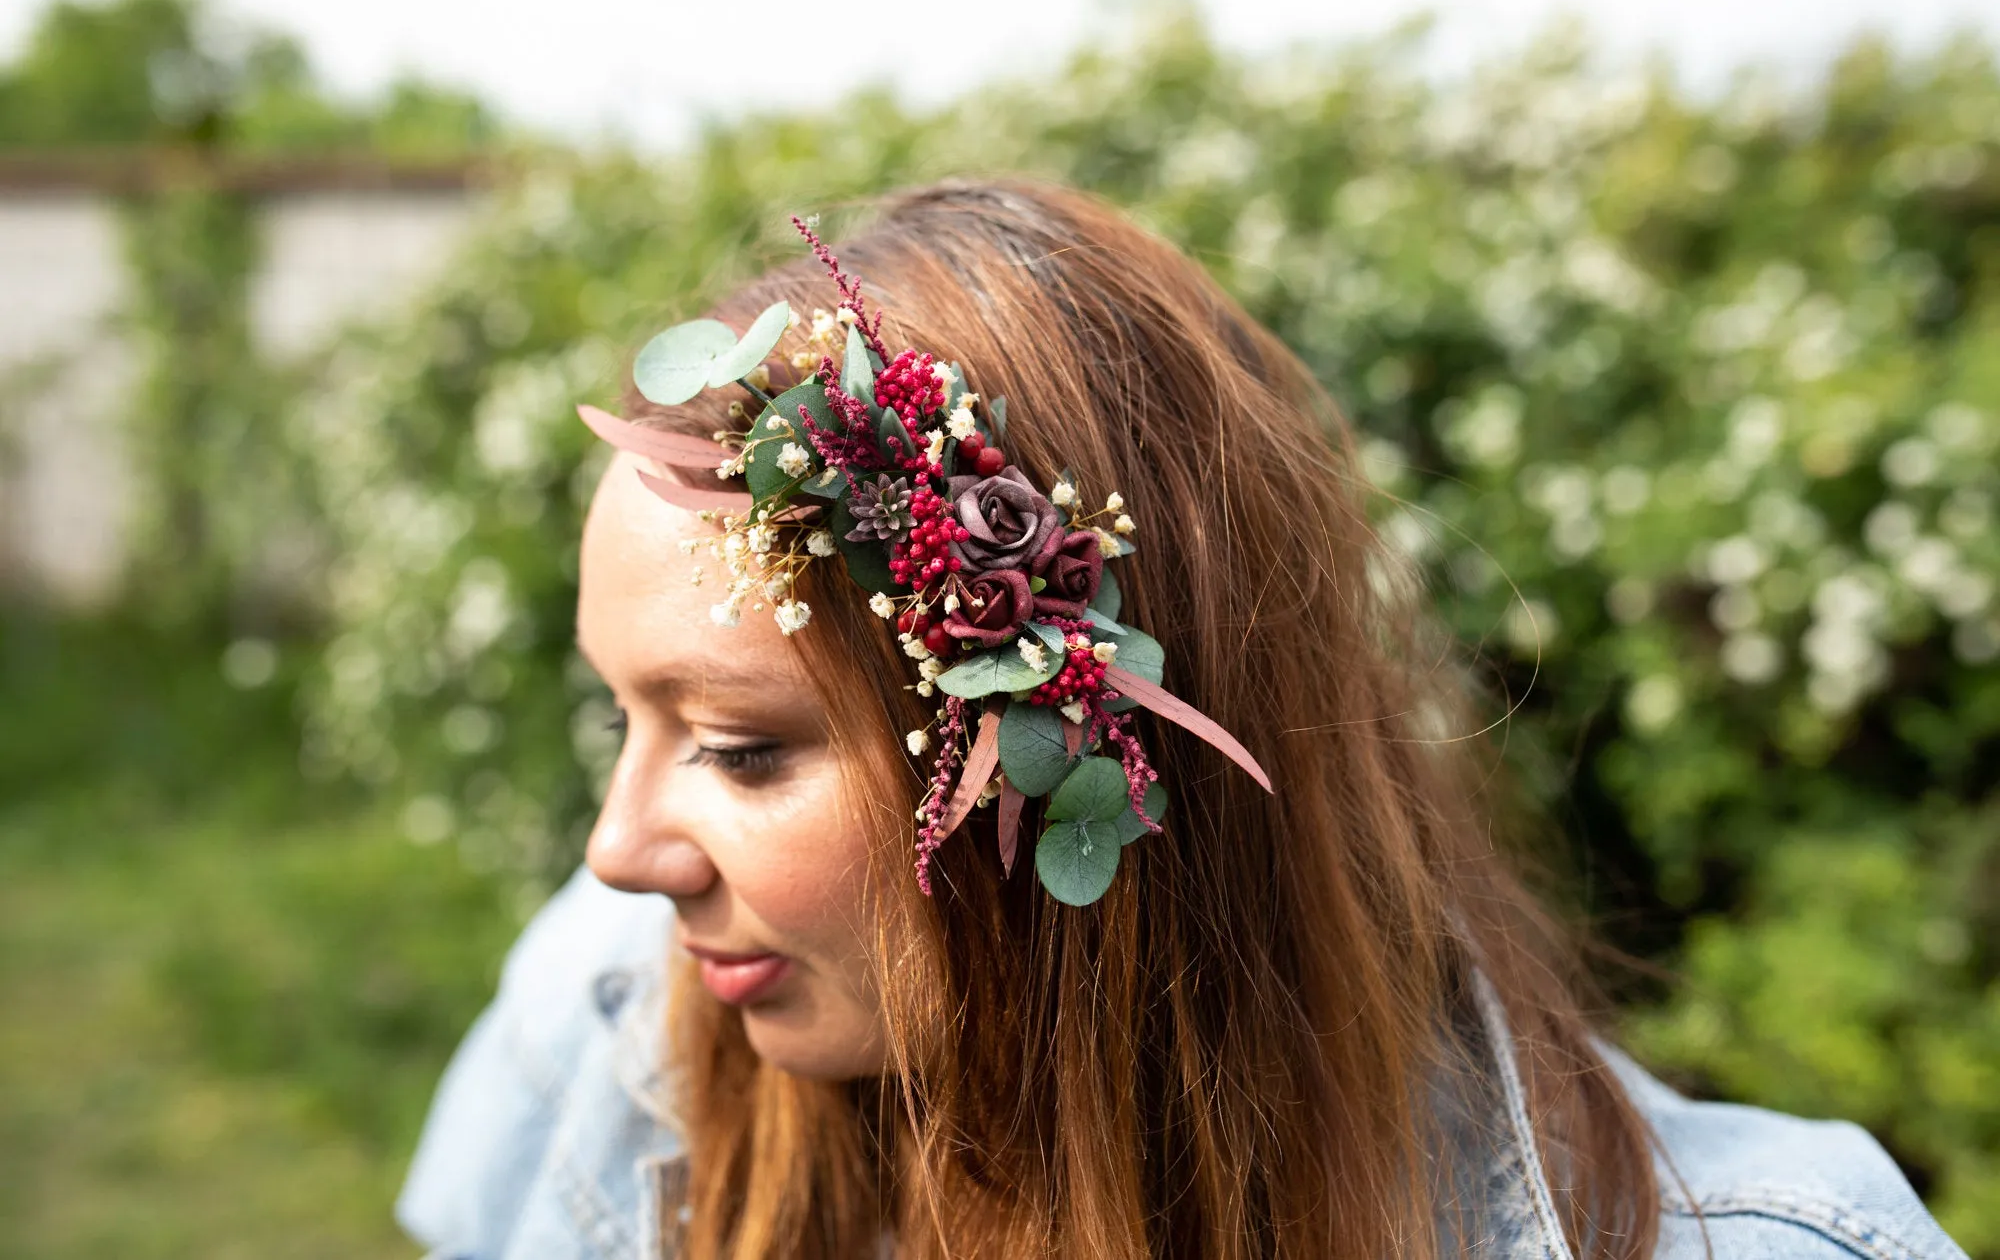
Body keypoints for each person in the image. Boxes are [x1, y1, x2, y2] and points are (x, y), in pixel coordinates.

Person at [396, 180, 1967, 1260]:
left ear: (1078, 741)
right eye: (627, 721)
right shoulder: (607, 1023)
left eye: (741, 751)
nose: (619, 856)